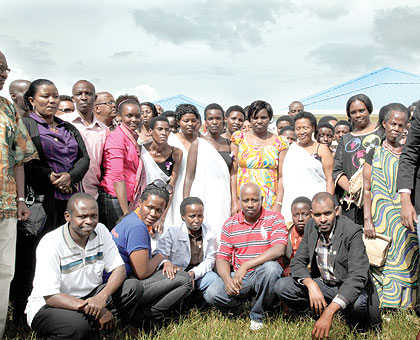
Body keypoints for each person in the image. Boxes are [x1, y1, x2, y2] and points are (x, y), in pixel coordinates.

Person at [11, 79, 90, 322]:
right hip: (40, 203)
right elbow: (24, 160)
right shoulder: (25, 124)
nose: (52, 101)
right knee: (31, 258)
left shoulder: (68, 128)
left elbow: (83, 158)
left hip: (67, 201)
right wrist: (51, 176)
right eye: (46, 96)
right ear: (32, 101)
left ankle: (60, 307)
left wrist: (71, 176)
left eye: (55, 96)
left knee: (63, 256)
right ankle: (23, 313)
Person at [25, 193, 143, 340]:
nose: (89, 221)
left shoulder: (100, 230)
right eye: (82, 216)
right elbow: (51, 297)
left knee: (132, 288)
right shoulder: (51, 243)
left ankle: (99, 330)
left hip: (90, 297)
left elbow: (119, 269)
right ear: (68, 216)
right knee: (78, 326)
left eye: (94, 216)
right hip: (52, 306)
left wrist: (102, 297)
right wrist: (97, 311)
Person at [275, 192, 381, 339]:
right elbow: (297, 262)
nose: (323, 219)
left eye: (327, 213)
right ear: (312, 214)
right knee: (282, 286)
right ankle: (315, 311)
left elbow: (357, 276)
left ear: (336, 211)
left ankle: (353, 324)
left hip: (347, 285)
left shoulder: (352, 231)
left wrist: (329, 312)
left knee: (359, 303)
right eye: (318, 215)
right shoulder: (311, 226)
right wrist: (311, 285)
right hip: (324, 284)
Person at [204, 183, 287, 330]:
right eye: (245, 200)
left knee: (271, 269)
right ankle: (243, 306)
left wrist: (247, 265)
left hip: (264, 275)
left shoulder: (275, 218)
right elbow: (222, 257)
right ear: (239, 200)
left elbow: (279, 249)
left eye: (254, 200)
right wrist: (227, 279)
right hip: (242, 278)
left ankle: (258, 314)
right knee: (212, 293)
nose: (250, 204)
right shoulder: (230, 223)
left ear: (262, 199)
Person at [109, 184, 192, 321]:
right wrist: (161, 256)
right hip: (121, 289)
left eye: (159, 210)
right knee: (185, 280)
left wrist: (164, 261)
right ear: (140, 203)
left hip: (122, 283)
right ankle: (142, 319)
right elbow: (142, 273)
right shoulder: (137, 227)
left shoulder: (132, 218)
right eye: (150, 207)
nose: (153, 214)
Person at [363, 103, 418, 309]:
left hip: (405, 215)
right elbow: (367, 189)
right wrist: (367, 219)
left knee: (408, 256)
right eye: (392, 123)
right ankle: (385, 303)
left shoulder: (409, 154)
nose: (396, 128)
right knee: (383, 257)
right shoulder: (373, 152)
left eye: (401, 124)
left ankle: (408, 304)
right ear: (384, 123)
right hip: (380, 217)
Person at [0, 50, 37, 338]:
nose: (3, 73)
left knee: (4, 273)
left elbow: (21, 158)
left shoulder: (8, 109)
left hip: (7, 205)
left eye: (5, 68)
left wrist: (22, 200)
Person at [184, 103, 237, 237]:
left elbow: (233, 175)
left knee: (221, 230)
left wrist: (234, 201)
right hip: (202, 194)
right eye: (210, 118)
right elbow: (189, 177)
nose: (214, 122)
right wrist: (185, 202)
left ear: (223, 120)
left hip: (223, 196)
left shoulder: (229, 144)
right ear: (205, 121)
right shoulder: (198, 143)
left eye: (218, 118)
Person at [154, 197, 218, 298]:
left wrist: (193, 273)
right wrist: (167, 263)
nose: (197, 220)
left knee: (213, 280)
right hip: (178, 272)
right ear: (183, 217)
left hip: (198, 272)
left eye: (200, 216)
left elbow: (210, 260)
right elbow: (160, 253)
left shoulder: (209, 232)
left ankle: (199, 303)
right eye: (192, 216)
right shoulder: (172, 231)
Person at [231, 100, 288, 212]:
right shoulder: (239, 139)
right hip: (244, 200)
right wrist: (234, 201)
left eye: (263, 117)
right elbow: (233, 173)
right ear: (250, 119)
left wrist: (278, 203)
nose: (259, 121)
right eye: (255, 118)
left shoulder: (280, 142)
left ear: (270, 118)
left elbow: (282, 176)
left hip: (270, 200)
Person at [333, 94, 381, 224]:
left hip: (380, 197)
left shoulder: (381, 133)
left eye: (361, 110)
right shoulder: (345, 140)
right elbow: (337, 170)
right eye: (353, 112)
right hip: (353, 203)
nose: (357, 115)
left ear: (369, 110)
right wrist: (354, 191)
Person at [99, 99, 145, 230]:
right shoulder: (117, 138)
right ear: (119, 116)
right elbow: (117, 176)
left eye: (137, 116)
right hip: (116, 199)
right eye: (129, 116)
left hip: (129, 196)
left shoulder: (133, 137)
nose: (134, 119)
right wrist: (126, 212)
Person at [282, 111, 334, 222]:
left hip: (316, 203)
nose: (301, 132)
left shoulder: (321, 149)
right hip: (291, 202)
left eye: (305, 128)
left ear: (313, 128)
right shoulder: (290, 149)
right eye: (298, 128)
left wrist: (327, 203)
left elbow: (330, 179)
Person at [61, 80, 108, 199]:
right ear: (73, 98)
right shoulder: (61, 123)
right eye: (79, 94)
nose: (83, 97)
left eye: (88, 93)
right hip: (64, 191)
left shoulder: (104, 130)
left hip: (93, 192)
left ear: (95, 98)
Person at [141, 116, 182, 229]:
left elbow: (171, 188)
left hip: (162, 204)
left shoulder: (176, 153)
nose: (164, 133)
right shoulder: (141, 150)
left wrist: (162, 218)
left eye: (167, 130)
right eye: (160, 129)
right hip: (142, 202)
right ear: (150, 131)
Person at [167, 104, 201, 226]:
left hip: (197, 185)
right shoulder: (170, 140)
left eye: (193, 120)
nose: (190, 124)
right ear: (178, 122)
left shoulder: (202, 141)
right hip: (177, 185)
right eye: (186, 121)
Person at [283, 196, 312, 276]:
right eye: (296, 215)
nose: (300, 219)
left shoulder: (317, 232)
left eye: (305, 214)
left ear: (312, 214)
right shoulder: (287, 230)